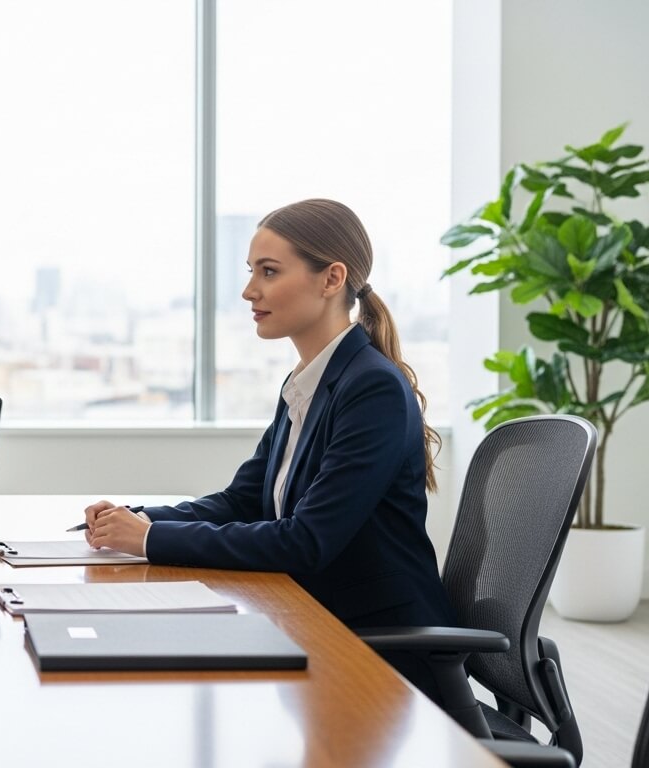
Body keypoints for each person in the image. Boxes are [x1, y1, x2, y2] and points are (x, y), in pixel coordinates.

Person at [83, 199, 454, 690]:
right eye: (251, 271)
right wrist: (142, 519)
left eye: (269, 271)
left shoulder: (372, 388)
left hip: (380, 655)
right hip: (317, 622)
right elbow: (243, 500)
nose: (248, 290)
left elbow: (305, 542)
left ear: (331, 279)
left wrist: (148, 540)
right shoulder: (311, 380)